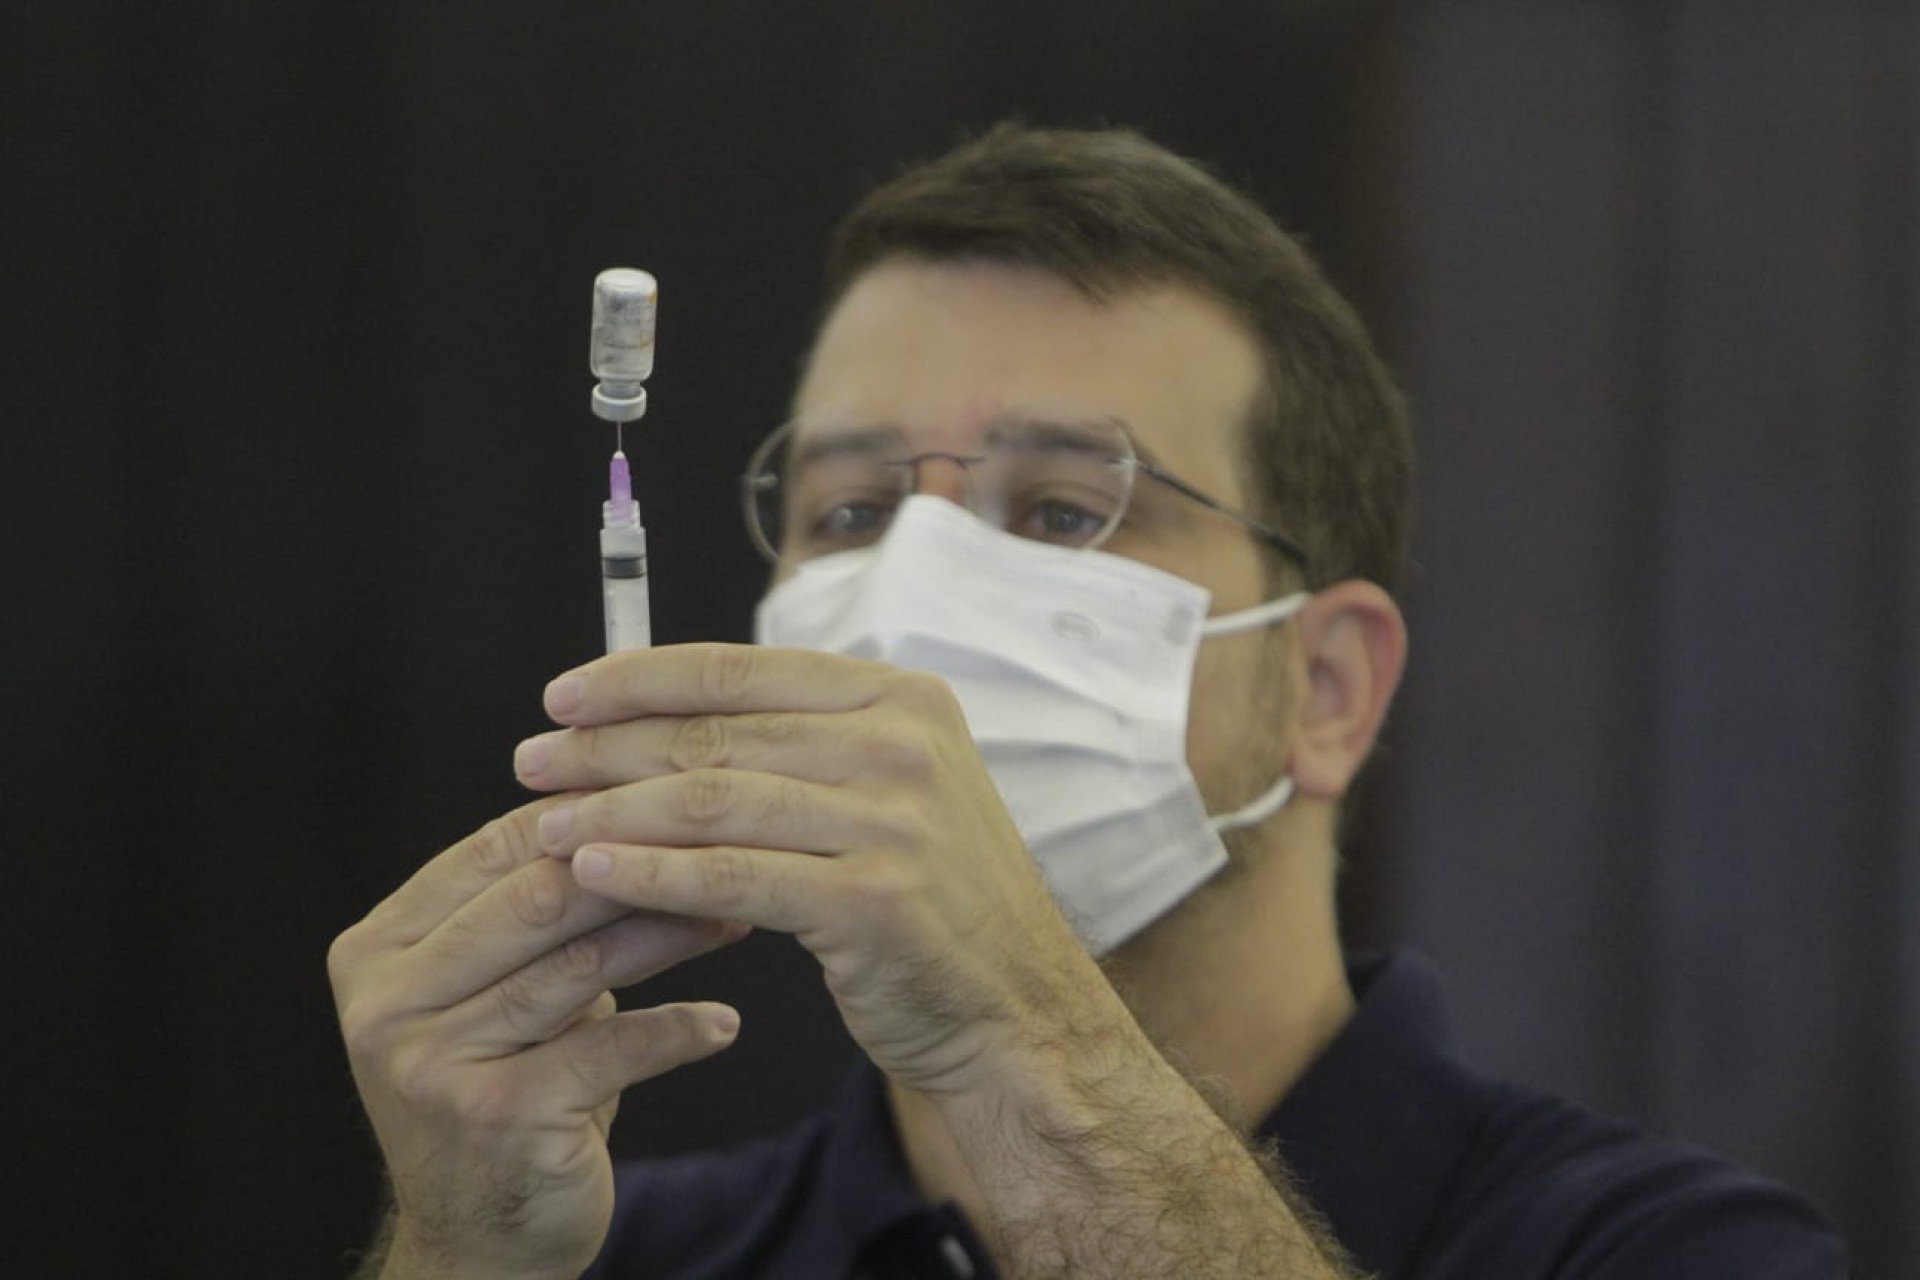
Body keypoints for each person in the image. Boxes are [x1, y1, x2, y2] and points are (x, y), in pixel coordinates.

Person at [329, 124, 1845, 1279]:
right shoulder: (635, 1253)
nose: (916, 597)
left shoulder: (1665, 1245)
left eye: (1061, 512)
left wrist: (1027, 1055)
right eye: (853, 513)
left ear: (1326, 690)